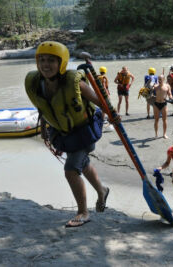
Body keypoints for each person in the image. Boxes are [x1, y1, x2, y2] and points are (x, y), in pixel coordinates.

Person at [25, 41, 112, 227]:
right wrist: (44, 131)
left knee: (71, 170)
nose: (45, 65)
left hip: (84, 131)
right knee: (84, 163)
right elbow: (44, 109)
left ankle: (83, 212)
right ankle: (102, 190)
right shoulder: (37, 84)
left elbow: (101, 102)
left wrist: (113, 116)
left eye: (51, 61)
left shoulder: (76, 83)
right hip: (64, 132)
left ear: (61, 63)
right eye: (42, 60)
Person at [153, 75, 173, 139]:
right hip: (156, 104)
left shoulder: (167, 86)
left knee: (164, 120)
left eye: (160, 79)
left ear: (163, 79)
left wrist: (170, 97)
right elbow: (150, 93)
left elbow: (170, 94)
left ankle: (164, 134)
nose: (159, 80)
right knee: (156, 120)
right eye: (158, 79)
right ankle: (156, 134)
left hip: (164, 104)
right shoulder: (155, 86)